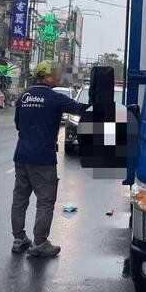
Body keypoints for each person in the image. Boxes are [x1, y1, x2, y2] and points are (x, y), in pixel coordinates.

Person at [11, 61, 89, 256]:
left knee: (20, 199)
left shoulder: (24, 97)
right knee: (45, 201)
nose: (59, 77)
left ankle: (19, 239)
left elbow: (18, 124)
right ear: (46, 77)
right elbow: (81, 109)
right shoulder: (54, 98)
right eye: (55, 74)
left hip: (21, 156)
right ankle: (39, 243)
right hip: (43, 158)